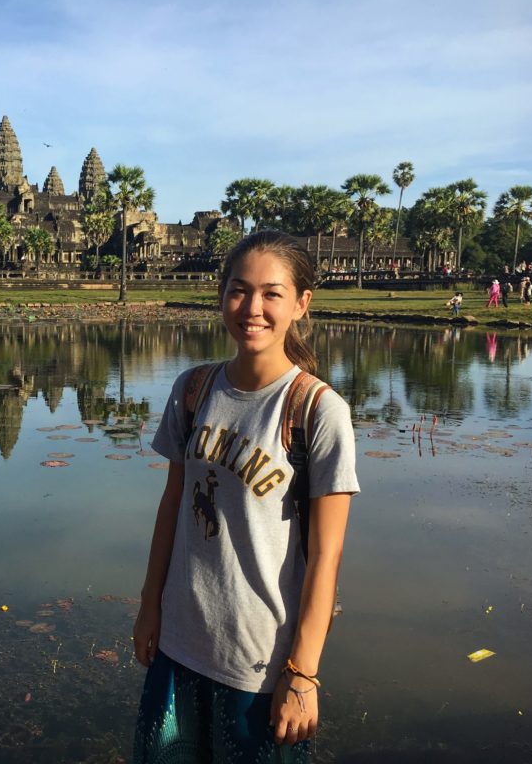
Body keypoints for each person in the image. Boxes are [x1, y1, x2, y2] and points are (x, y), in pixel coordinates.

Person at [133, 231, 359, 763]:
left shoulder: (317, 411)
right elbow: (171, 507)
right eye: (239, 291)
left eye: (271, 294)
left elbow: (327, 556)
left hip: (258, 663)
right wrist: (148, 607)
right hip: (179, 644)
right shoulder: (193, 389)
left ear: (301, 304)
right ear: (222, 296)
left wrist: (303, 673)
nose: (252, 308)